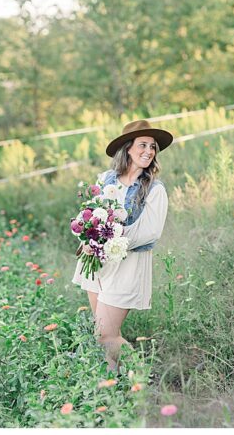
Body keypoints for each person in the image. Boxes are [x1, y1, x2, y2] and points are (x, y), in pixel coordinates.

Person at [71, 120, 171, 372]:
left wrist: (110, 238)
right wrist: (90, 236)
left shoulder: (154, 190)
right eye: (143, 145)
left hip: (127, 266)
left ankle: (142, 379)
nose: (149, 151)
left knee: (107, 334)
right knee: (101, 333)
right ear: (128, 148)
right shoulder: (106, 179)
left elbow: (150, 232)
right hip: (96, 263)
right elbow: (90, 213)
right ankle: (111, 386)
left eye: (152, 147)